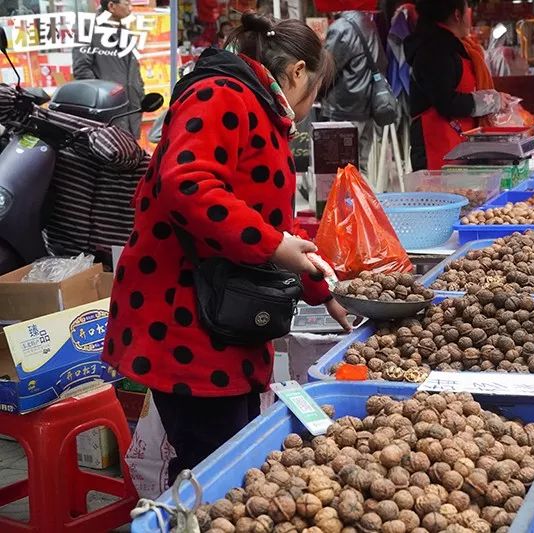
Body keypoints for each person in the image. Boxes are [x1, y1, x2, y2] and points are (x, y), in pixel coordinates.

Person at [101, 12, 349, 484]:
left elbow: (266, 217)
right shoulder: (219, 95)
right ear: (297, 72)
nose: (311, 104)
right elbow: (186, 183)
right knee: (215, 468)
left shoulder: (256, 106)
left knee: (227, 457)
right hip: (183, 322)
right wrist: (276, 247)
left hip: (219, 319)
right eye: (314, 90)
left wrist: (322, 286)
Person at [405, 0, 507, 171]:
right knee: (438, 196)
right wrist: (492, 101)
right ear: (457, 15)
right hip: (438, 146)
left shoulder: (453, 46)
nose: (470, 13)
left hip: (458, 145)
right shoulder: (435, 50)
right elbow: (446, 101)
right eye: (468, 8)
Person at [322, 11, 388, 174]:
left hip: (344, 107)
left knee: (338, 168)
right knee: (361, 167)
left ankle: (345, 200)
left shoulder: (340, 28)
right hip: (368, 105)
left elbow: (328, 68)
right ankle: (359, 199)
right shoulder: (368, 24)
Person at [72, 0, 145, 139]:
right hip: (108, 110)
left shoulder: (125, 31)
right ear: (111, 6)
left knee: (131, 152)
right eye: (127, 3)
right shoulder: (88, 28)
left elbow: (133, 67)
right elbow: (82, 69)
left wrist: (139, 91)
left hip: (131, 109)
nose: (131, 8)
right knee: (112, 151)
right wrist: (101, 99)